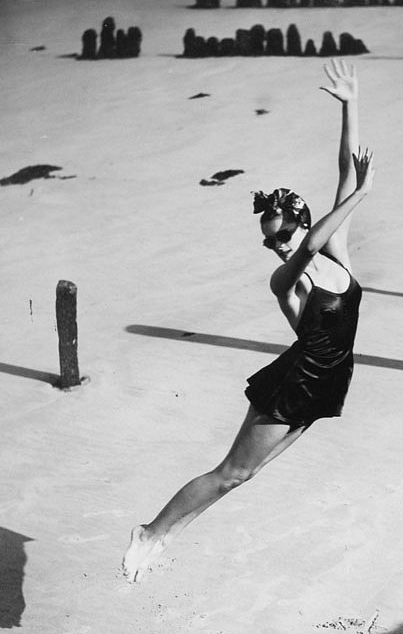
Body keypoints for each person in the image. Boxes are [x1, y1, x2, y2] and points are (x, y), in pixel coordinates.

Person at [122, 59, 375, 583]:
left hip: (330, 376)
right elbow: (312, 239)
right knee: (231, 471)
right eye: (269, 240)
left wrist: (351, 103)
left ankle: (170, 532)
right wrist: (362, 196)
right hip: (298, 378)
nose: (275, 246)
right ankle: (148, 531)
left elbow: (345, 170)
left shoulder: (338, 257)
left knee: (245, 475)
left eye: (280, 236)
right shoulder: (289, 278)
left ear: (303, 222)